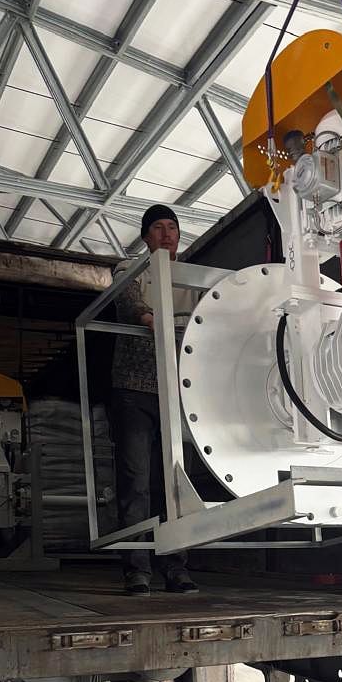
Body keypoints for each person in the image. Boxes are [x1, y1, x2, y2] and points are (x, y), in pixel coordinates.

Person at [110, 204, 199, 596]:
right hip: (135, 388)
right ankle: (137, 569)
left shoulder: (192, 278)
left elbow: (210, 314)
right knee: (136, 480)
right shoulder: (129, 269)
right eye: (158, 227)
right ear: (146, 236)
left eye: (172, 227)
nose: (166, 233)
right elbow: (130, 303)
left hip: (180, 392)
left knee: (176, 483)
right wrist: (152, 319)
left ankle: (176, 567)